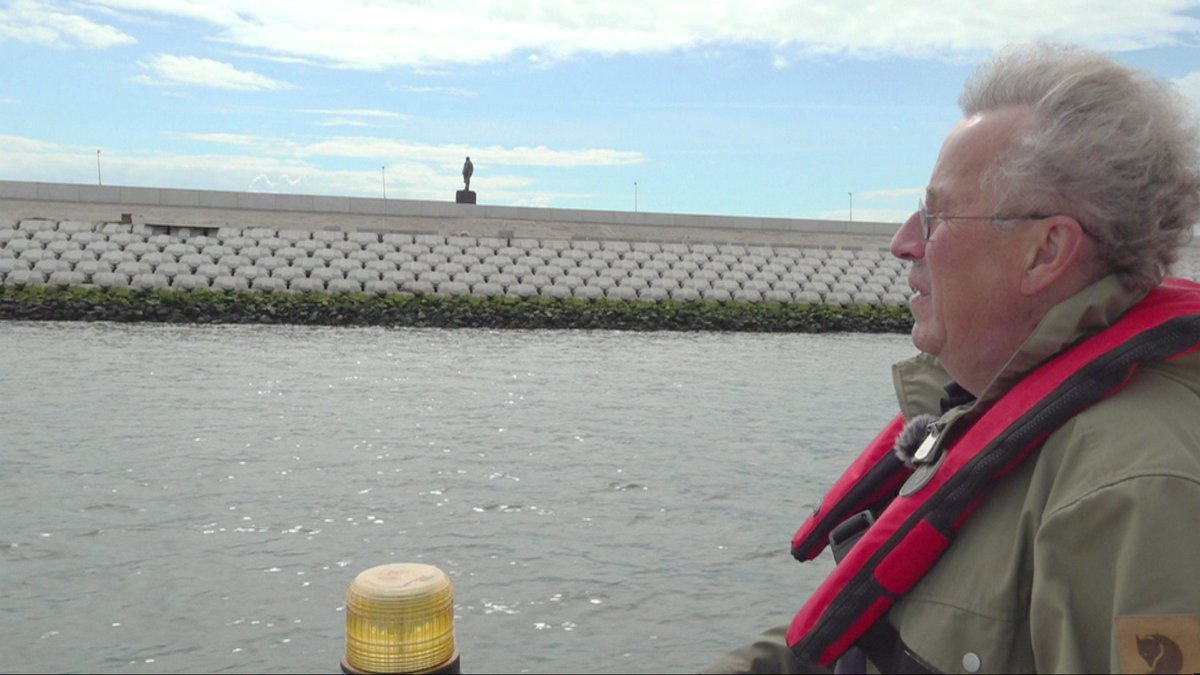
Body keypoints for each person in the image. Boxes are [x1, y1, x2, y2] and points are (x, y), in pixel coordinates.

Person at [705, 43, 1200, 674]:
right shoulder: (981, 414)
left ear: (1045, 252)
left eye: (934, 215)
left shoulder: (1131, 488)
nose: (902, 243)